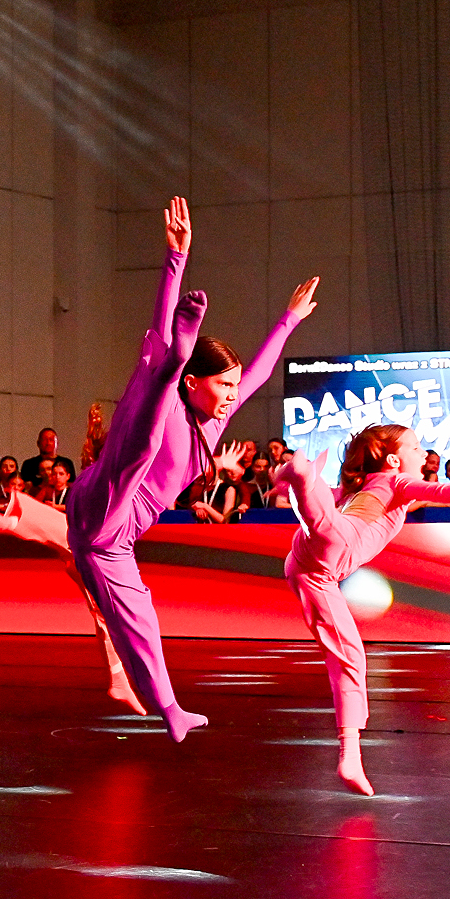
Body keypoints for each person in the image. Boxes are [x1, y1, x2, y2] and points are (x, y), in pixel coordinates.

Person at [67, 194, 317, 742]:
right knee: (142, 435)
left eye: (232, 386)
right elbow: (160, 331)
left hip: (116, 535)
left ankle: (171, 710)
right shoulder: (173, 398)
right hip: (105, 497)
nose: (231, 394)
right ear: (193, 383)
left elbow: (260, 369)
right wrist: (175, 259)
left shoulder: (215, 418)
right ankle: (172, 360)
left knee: (141, 622)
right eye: (222, 384)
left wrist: (290, 318)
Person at [273, 428, 450, 795]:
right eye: (416, 448)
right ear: (392, 460)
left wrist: (287, 488)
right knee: (327, 531)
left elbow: (427, 495)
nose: (424, 454)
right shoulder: (396, 481)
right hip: (336, 547)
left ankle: (351, 757)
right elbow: (442, 492)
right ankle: (303, 480)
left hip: (305, 566)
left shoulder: (365, 486)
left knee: (349, 655)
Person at [0, 487, 144, 714]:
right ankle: (119, 679)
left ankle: (119, 679)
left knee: (107, 610)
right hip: (98, 547)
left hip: (101, 548)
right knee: (87, 557)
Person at [27, 428, 75, 493]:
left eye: (51, 440)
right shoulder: (29, 464)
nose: (48, 443)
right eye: (44, 440)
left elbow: (72, 485)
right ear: (38, 443)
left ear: (57, 443)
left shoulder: (67, 463)